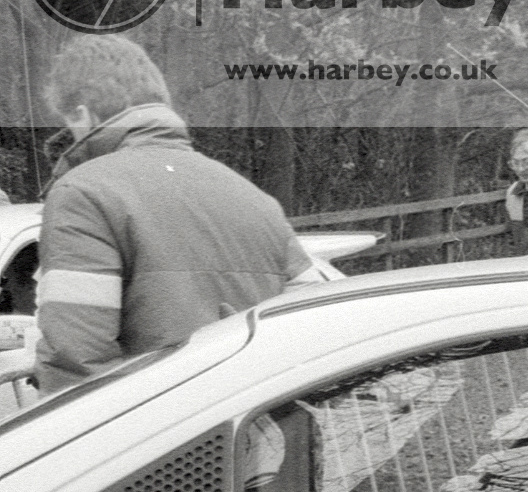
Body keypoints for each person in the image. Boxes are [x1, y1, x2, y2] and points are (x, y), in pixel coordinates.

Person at [33, 37, 321, 394]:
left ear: (81, 113)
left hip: (159, 437)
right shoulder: (256, 198)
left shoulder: (83, 194)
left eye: (69, 122)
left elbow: (76, 362)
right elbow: (317, 324)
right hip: (255, 430)